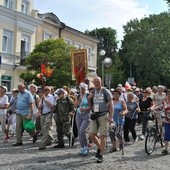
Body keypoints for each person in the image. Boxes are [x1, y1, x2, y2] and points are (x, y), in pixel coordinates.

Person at [88, 77, 113, 163]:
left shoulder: (105, 91)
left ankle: (101, 155)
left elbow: (111, 104)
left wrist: (111, 116)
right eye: (95, 82)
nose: (97, 83)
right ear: (93, 83)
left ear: (101, 82)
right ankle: (100, 147)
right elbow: (91, 105)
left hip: (104, 114)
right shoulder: (93, 92)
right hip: (95, 114)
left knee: (103, 135)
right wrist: (89, 98)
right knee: (91, 134)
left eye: (98, 82)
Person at [75, 82, 91, 156]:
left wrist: (84, 109)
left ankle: (86, 147)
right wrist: (79, 100)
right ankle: (82, 147)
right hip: (78, 114)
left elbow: (91, 107)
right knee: (79, 132)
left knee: (82, 131)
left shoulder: (88, 95)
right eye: (80, 88)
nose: (81, 89)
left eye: (82, 88)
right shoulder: (78, 96)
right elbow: (75, 106)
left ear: (85, 88)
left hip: (86, 114)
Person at [38, 86, 55, 150]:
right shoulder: (42, 97)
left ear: (49, 91)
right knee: (45, 129)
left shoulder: (51, 97)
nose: (45, 91)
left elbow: (51, 106)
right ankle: (50, 140)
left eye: (47, 90)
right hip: (42, 114)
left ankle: (43, 144)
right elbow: (39, 106)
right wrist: (40, 106)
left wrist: (45, 99)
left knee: (45, 129)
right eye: (44, 90)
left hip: (49, 114)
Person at [162, 90, 170, 155]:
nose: (169, 95)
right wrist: (153, 108)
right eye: (168, 94)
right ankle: (166, 149)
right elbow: (161, 107)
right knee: (166, 135)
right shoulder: (164, 103)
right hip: (167, 121)